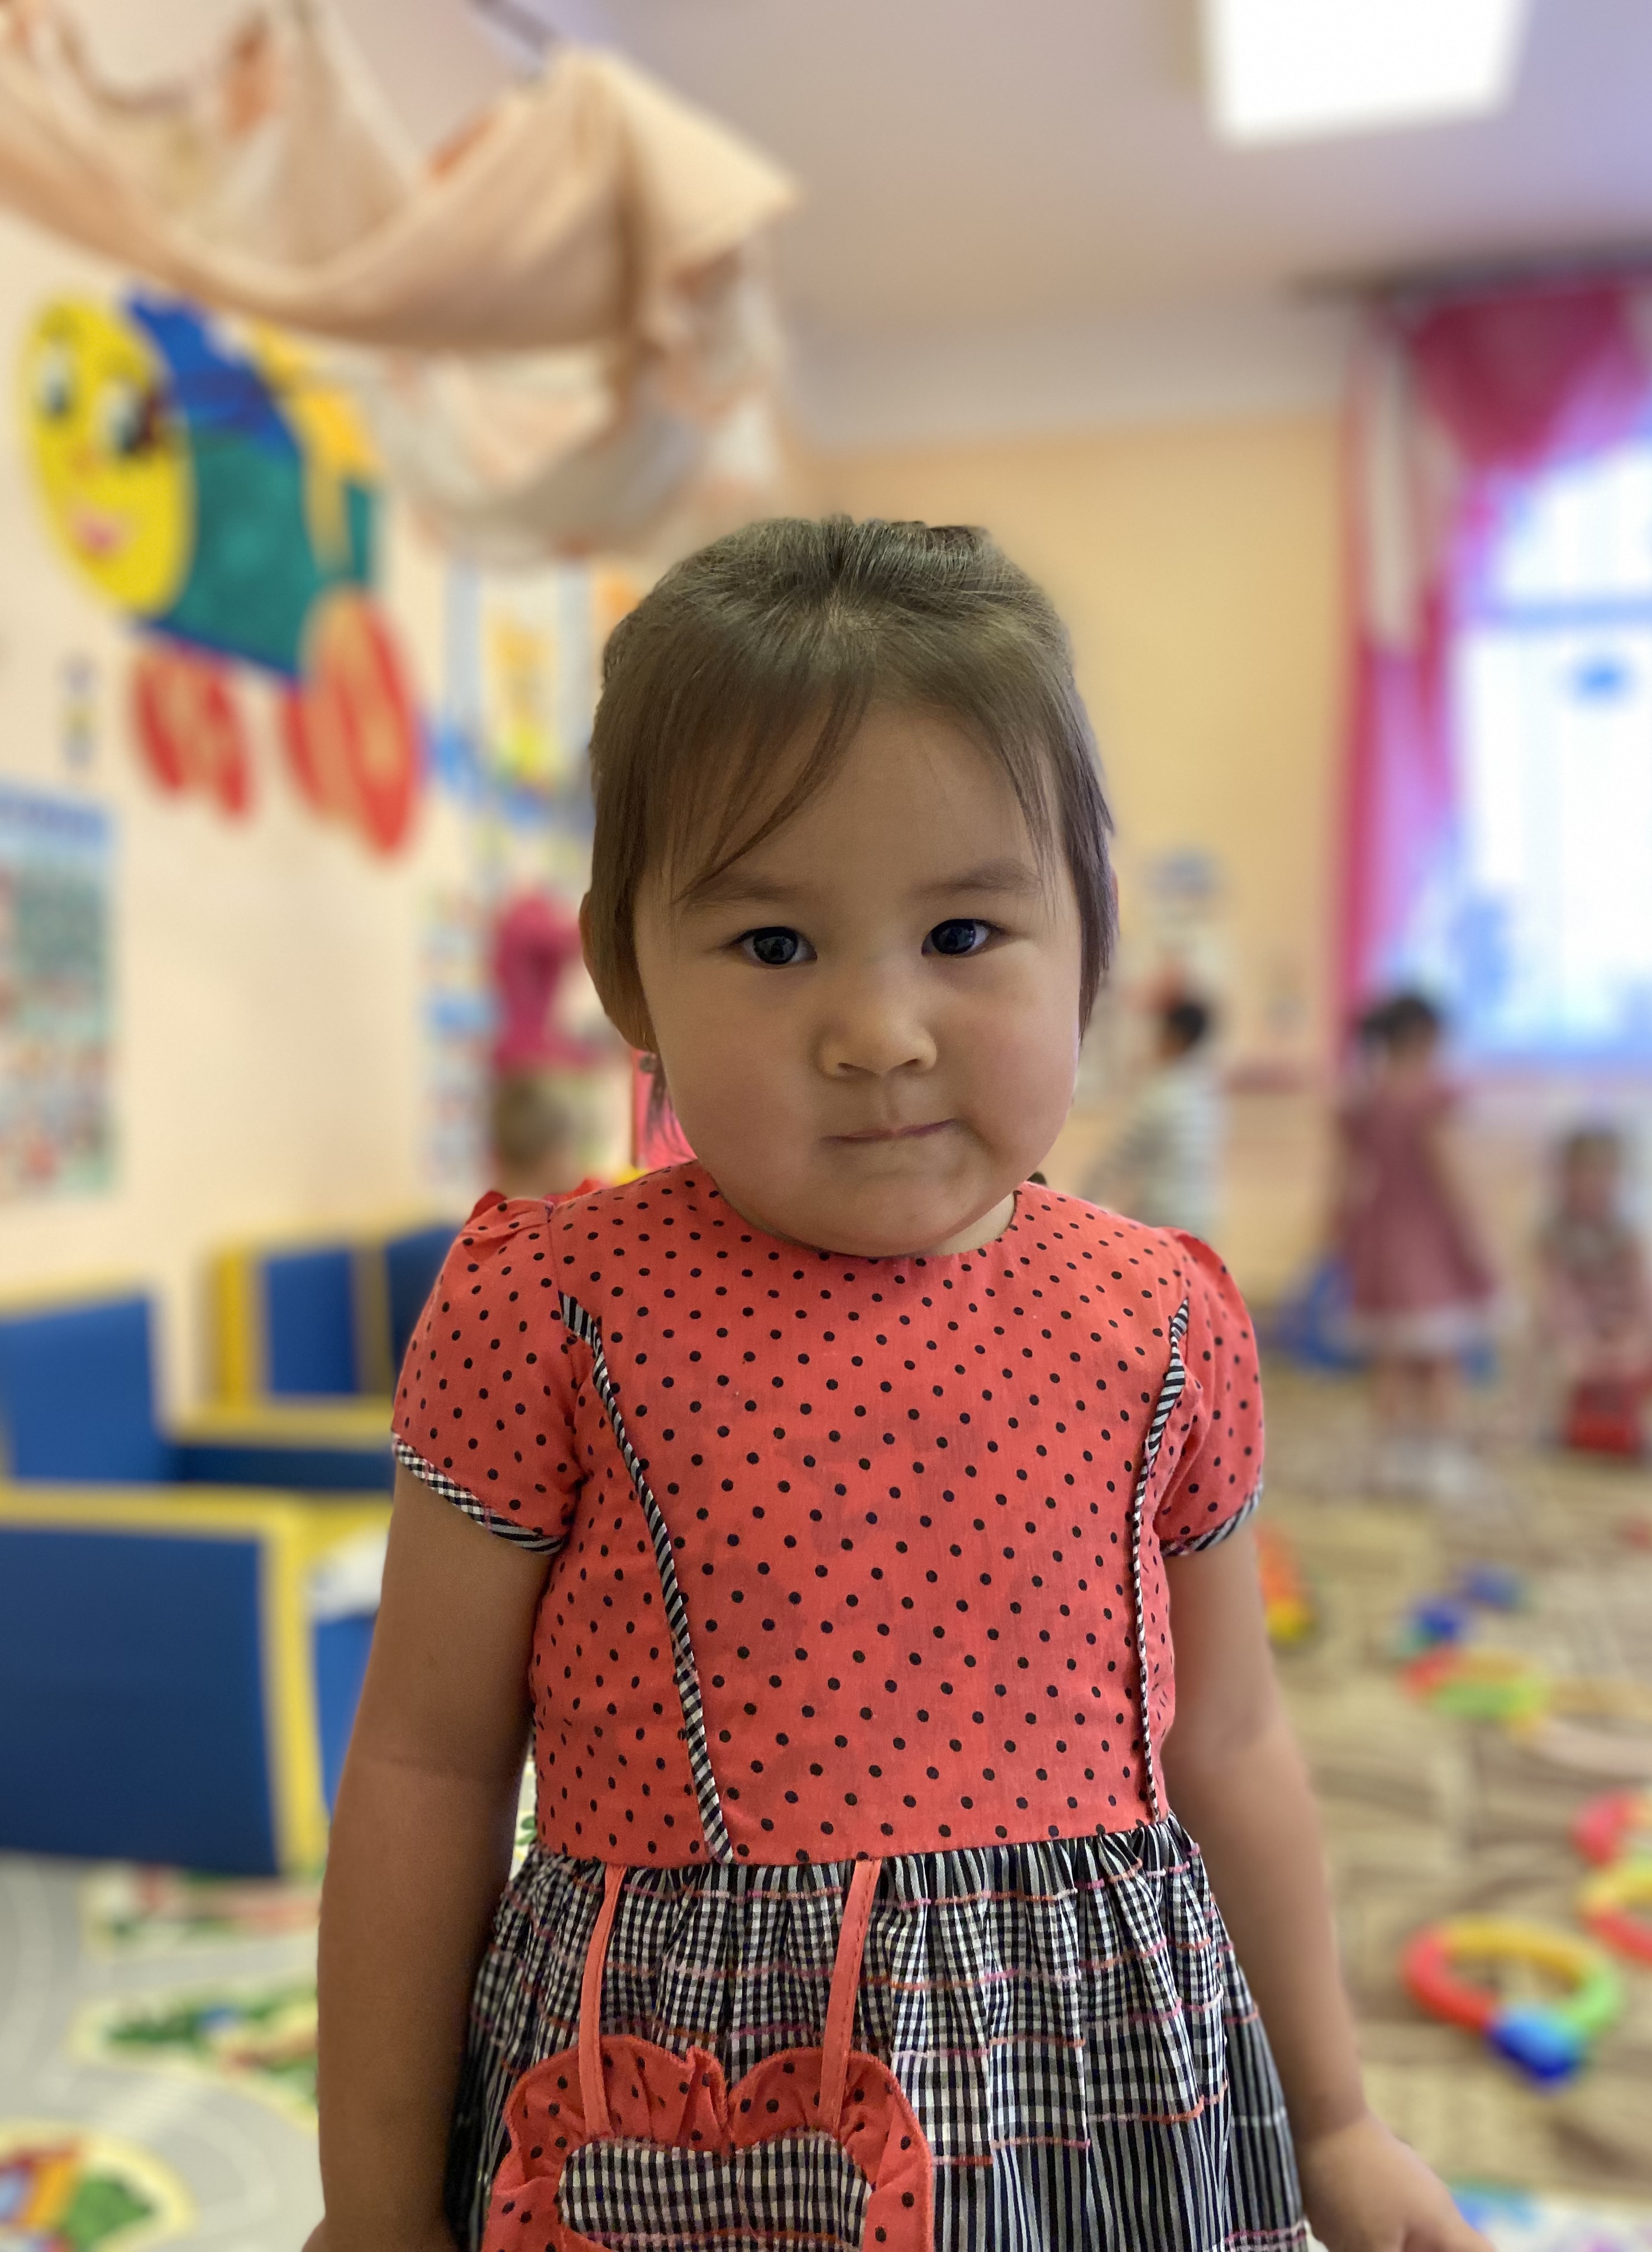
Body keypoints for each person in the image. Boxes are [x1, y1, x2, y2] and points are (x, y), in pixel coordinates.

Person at [313, 519, 1484, 2252]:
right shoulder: (549, 1312)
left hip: (1092, 2101)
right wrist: (370, 2205)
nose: (879, 1030)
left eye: (963, 930)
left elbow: (1231, 1736)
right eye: (774, 946)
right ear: (628, 974)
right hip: (683, 2115)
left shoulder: (1164, 1323)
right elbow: (425, 1765)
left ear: (1090, 948)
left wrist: (1334, 2119)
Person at [1334, 992, 1496, 1497]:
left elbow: (1348, 1180)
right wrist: (1480, 1239)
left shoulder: (1368, 1098)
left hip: (1380, 1238)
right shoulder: (1429, 1098)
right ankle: (1441, 1463)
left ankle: (1391, 1461)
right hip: (1426, 1242)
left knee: (1392, 1356)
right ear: (1425, 1038)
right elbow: (1451, 1175)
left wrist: (1343, 1237)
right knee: (1440, 1358)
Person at [1536, 1124, 1652, 1455]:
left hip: (1637, 1321)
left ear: (1618, 1179)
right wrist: (1583, 1346)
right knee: (1559, 1359)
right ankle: (1574, 1426)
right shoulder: (1552, 1233)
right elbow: (1558, 1301)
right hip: (1585, 1327)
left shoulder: (1629, 1231)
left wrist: (1638, 1340)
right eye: (1583, 1174)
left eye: (1604, 1176)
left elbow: (1648, 1298)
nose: (1593, 1185)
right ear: (1563, 1177)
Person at [1091, 990, 1222, 1238]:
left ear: (1174, 1037)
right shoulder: (1205, 1092)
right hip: (1202, 1217)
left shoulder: (1160, 1095)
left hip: (1165, 1220)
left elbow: (1117, 1159)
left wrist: (1079, 1200)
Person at [488, 1071, 594, 1202]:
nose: (579, 1164)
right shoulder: (552, 1210)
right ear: (553, 1155)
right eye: (571, 1149)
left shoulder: (490, 1207)